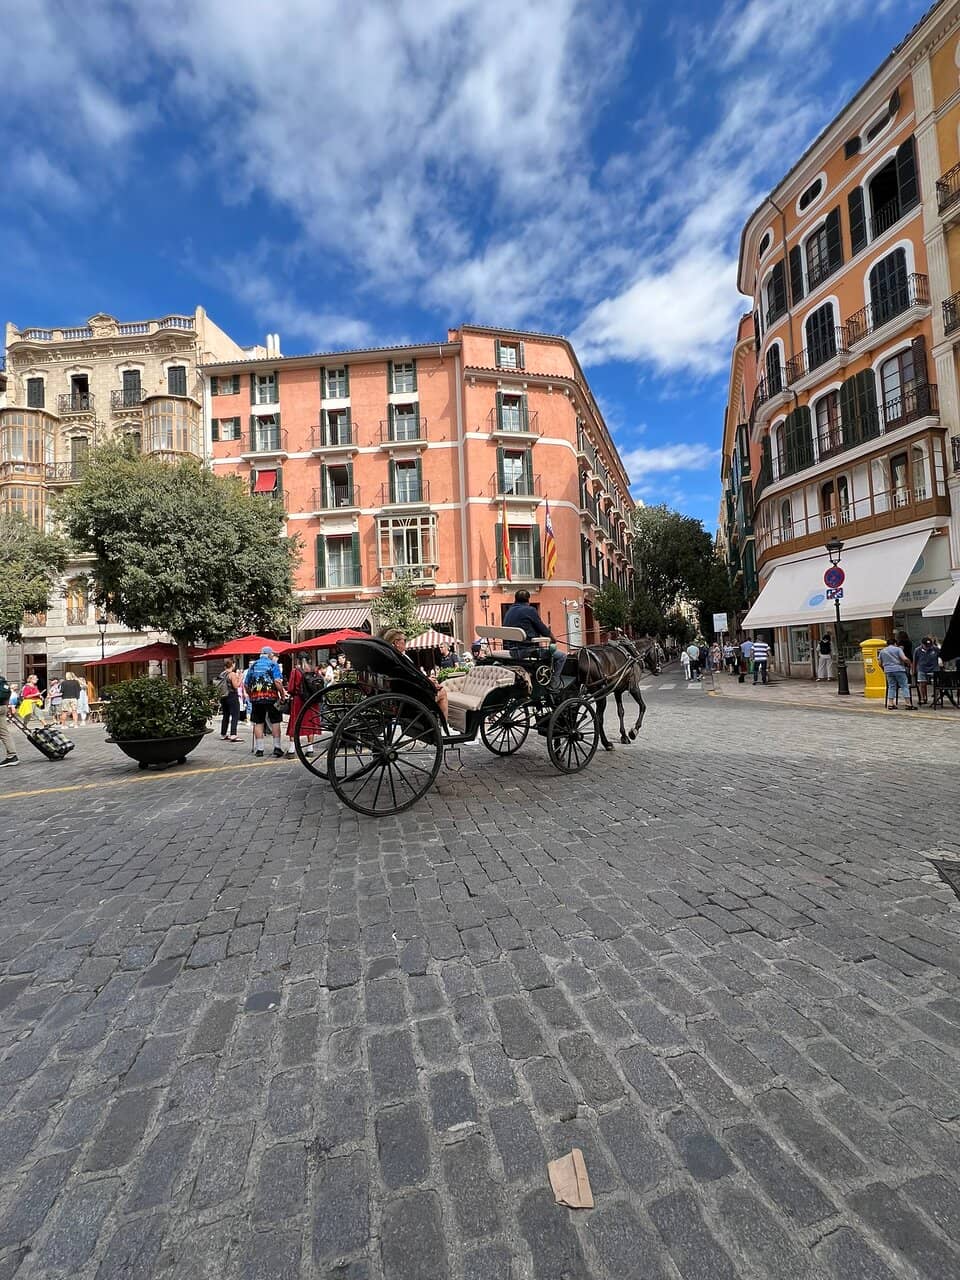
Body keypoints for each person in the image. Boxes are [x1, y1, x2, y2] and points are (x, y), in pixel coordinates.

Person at [503, 590, 566, 689]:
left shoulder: (509, 611)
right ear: (528, 600)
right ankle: (554, 683)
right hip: (527, 652)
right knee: (561, 656)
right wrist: (553, 638)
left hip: (512, 651)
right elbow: (542, 629)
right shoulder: (530, 610)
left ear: (515, 599)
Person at [382, 628, 449, 720]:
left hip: (405, 694)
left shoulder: (392, 657)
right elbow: (410, 678)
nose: (405, 643)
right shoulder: (399, 659)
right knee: (442, 692)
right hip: (413, 698)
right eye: (404, 640)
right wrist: (428, 681)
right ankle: (444, 726)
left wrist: (428, 680)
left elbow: (409, 676)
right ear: (397, 643)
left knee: (436, 686)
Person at [243, 646, 286, 756]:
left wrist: (250, 694)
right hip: (271, 697)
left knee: (258, 722)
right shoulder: (273, 664)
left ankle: (260, 749)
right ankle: (277, 748)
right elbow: (277, 681)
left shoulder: (253, 666)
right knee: (275, 721)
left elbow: (246, 684)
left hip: (256, 698)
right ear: (270, 654)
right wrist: (282, 695)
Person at [286, 658, 321, 757]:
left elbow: (291, 688)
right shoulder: (314, 670)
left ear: (298, 660)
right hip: (311, 700)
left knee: (295, 722)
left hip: (298, 700)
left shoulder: (295, 671)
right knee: (310, 722)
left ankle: (292, 750)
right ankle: (310, 749)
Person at [878, 636, 913, 709]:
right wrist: (910, 663)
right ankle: (908, 703)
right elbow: (904, 658)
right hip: (899, 669)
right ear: (895, 643)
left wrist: (884, 669)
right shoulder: (898, 649)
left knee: (891, 686)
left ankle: (890, 704)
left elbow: (880, 663)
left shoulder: (882, 651)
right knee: (904, 685)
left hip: (888, 670)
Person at [217, 658, 243, 741]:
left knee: (225, 715)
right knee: (235, 715)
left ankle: (223, 734)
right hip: (232, 695)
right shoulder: (232, 674)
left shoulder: (222, 673)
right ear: (233, 664)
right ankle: (233, 734)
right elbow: (236, 686)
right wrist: (241, 678)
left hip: (223, 696)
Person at [914, 636, 941, 706]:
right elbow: (915, 661)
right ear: (922, 644)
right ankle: (923, 698)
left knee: (935, 683)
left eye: (929, 645)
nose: (928, 647)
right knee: (922, 683)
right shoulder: (917, 650)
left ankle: (936, 698)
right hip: (922, 668)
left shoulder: (935, 649)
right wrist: (913, 670)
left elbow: (941, 656)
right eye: (926, 645)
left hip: (934, 668)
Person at [0, 672, 17, 768]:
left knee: (3, 732)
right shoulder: (2, 679)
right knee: (4, 732)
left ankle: (12, 756)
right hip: (2, 707)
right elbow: (8, 693)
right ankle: (12, 755)